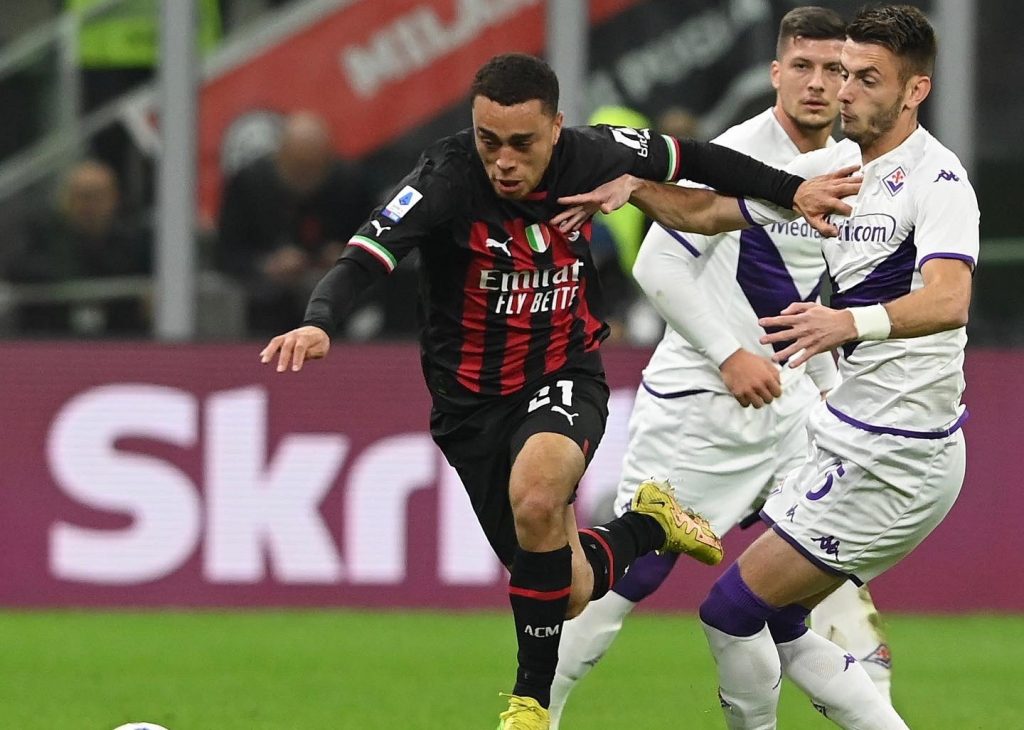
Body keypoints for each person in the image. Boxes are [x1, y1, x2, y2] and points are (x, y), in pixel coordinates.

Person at [259, 53, 859, 729]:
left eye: (522, 143)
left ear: (555, 128)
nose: (503, 161)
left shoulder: (593, 154)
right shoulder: (445, 178)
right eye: (489, 141)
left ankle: (530, 705)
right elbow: (367, 254)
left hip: (563, 371)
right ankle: (650, 524)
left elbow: (696, 159)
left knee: (539, 493)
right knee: (566, 589)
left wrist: (793, 191)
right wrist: (319, 320)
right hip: (470, 406)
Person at [556, 6, 977, 728]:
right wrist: (637, 187)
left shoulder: (937, 179)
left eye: (860, 77)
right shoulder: (828, 170)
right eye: (835, 73)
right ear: (778, 72)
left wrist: (845, 326)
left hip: (896, 447)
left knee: (739, 610)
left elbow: (950, 299)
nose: (839, 90)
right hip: (809, 423)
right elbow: (702, 215)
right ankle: (538, 706)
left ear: (915, 91)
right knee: (758, 610)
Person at [216, 111, 372, 335]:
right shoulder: (249, 185)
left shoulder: (351, 184)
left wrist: (349, 257)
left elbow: (381, 245)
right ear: (279, 157)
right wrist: (267, 265)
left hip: (339, 306)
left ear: (329, 161)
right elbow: (226, 253)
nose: (305, 177)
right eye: (298, 167)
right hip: (265, 304)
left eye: (314, 168)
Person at [6, 159, 152, 336]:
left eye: (97, 195)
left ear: (114, 197)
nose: (89, 205)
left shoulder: (133, 238)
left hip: (120, 337)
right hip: (51, 334)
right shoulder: (41, 232)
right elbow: (16, 268)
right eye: (82, 196)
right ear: (66, 198)